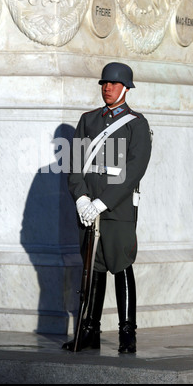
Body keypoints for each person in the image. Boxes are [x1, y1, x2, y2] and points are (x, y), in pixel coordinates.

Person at [62, 62, 152, 353]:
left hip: (117, 209)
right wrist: (81, 198)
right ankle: (90, 330)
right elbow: (75, 163)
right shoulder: (88, 120)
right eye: (104, 83)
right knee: (93, 265)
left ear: (125, 88)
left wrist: (102, 202)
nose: (107, 88)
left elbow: (134, 169)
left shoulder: (137, 124)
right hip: (88, 208)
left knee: (121, 265)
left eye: (113, 84)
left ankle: (127, 332)